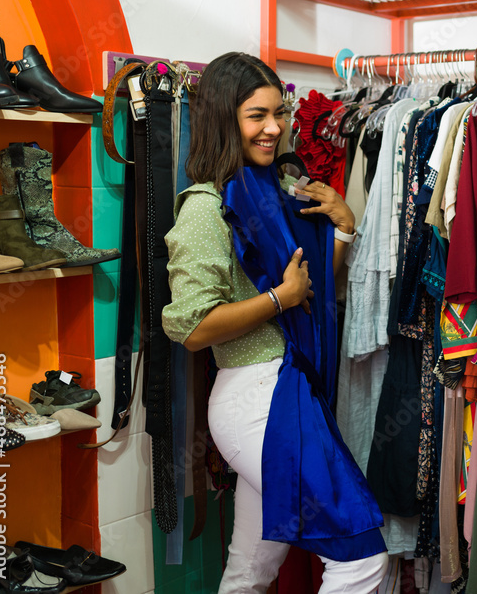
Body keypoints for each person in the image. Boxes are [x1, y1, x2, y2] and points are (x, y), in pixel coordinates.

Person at [162, 52, 387, 594]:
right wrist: (278, 299)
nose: (275, 127)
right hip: (260, 400)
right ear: (223, 120)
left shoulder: (269, 190)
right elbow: (189, 327)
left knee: (250, 571)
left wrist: (344, 229)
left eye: (279, 112)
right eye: (256, 115)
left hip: (283, 392)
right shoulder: (206, 208)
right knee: (362, 557)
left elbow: (303, 291)